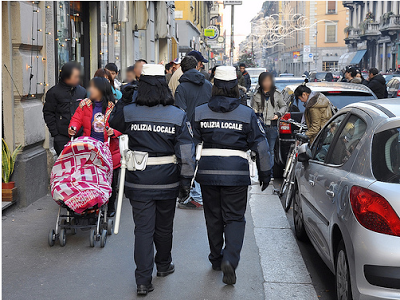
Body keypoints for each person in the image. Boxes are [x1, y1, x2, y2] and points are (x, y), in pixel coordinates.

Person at [108, 64, 195, 296]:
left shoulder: (130, 111)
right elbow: (186, 151)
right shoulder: (177, 115)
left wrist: (123, 101)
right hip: (167, 179)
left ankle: (143, 281)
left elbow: (113, 123)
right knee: (164, 227)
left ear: (141, 86)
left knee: (143, 230)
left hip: (138, 180)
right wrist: (186, 181)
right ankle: (164, 265)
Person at [193, 66, 271, 285]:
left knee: (213, 217)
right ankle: (230, 259)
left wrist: (185, 174)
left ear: (214, 86)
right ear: (236, 87)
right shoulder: (247, 114)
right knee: (235, 218)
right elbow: (262, 146)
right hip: (236, 174)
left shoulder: (200, 112)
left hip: (207, 173)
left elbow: (188, 144)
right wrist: (265, 172)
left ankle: (217, 259)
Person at [68, 77, 121, 217]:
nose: (90, 89)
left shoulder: (113, 107)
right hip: (89, 147)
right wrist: (72, 128)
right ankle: (90, 203)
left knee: (110, 180)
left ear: (101, 90)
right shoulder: (84, 104)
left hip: (108, 149)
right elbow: (76, 119)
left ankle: (110, 205)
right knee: (90, 178)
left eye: (93, 87)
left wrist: (114, 132)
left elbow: (122, 125)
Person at [174, 56, 212, 209]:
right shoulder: (208, 85)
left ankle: (187, 195)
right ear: (197, 67)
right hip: (206, 129)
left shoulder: (181, 88)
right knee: (203, 162)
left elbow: (180, 112)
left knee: (186, 163)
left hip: (186, 133)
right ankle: (201, 194)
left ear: (182, 69)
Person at [43, 62, 87, 155]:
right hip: (62, 137)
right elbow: (48, 113)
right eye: (75, 77)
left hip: (81, 136)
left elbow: (87, 112)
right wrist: (55, 134)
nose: (78, 79)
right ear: (66, 77)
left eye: (78, 76)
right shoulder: (54, 92)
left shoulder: (82, 91)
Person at [251, 72, 287, 174]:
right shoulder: (256, 95)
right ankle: (261, 171)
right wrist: (255, 111)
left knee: (270, 150)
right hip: (260, 126)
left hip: (272, 126)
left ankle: (269, 173)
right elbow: (253, 108)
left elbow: (284, 106)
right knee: (261, 150)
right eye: (264, 81)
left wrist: (278, 114)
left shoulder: (277, 94)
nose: (267, 83)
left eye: (269, 81)